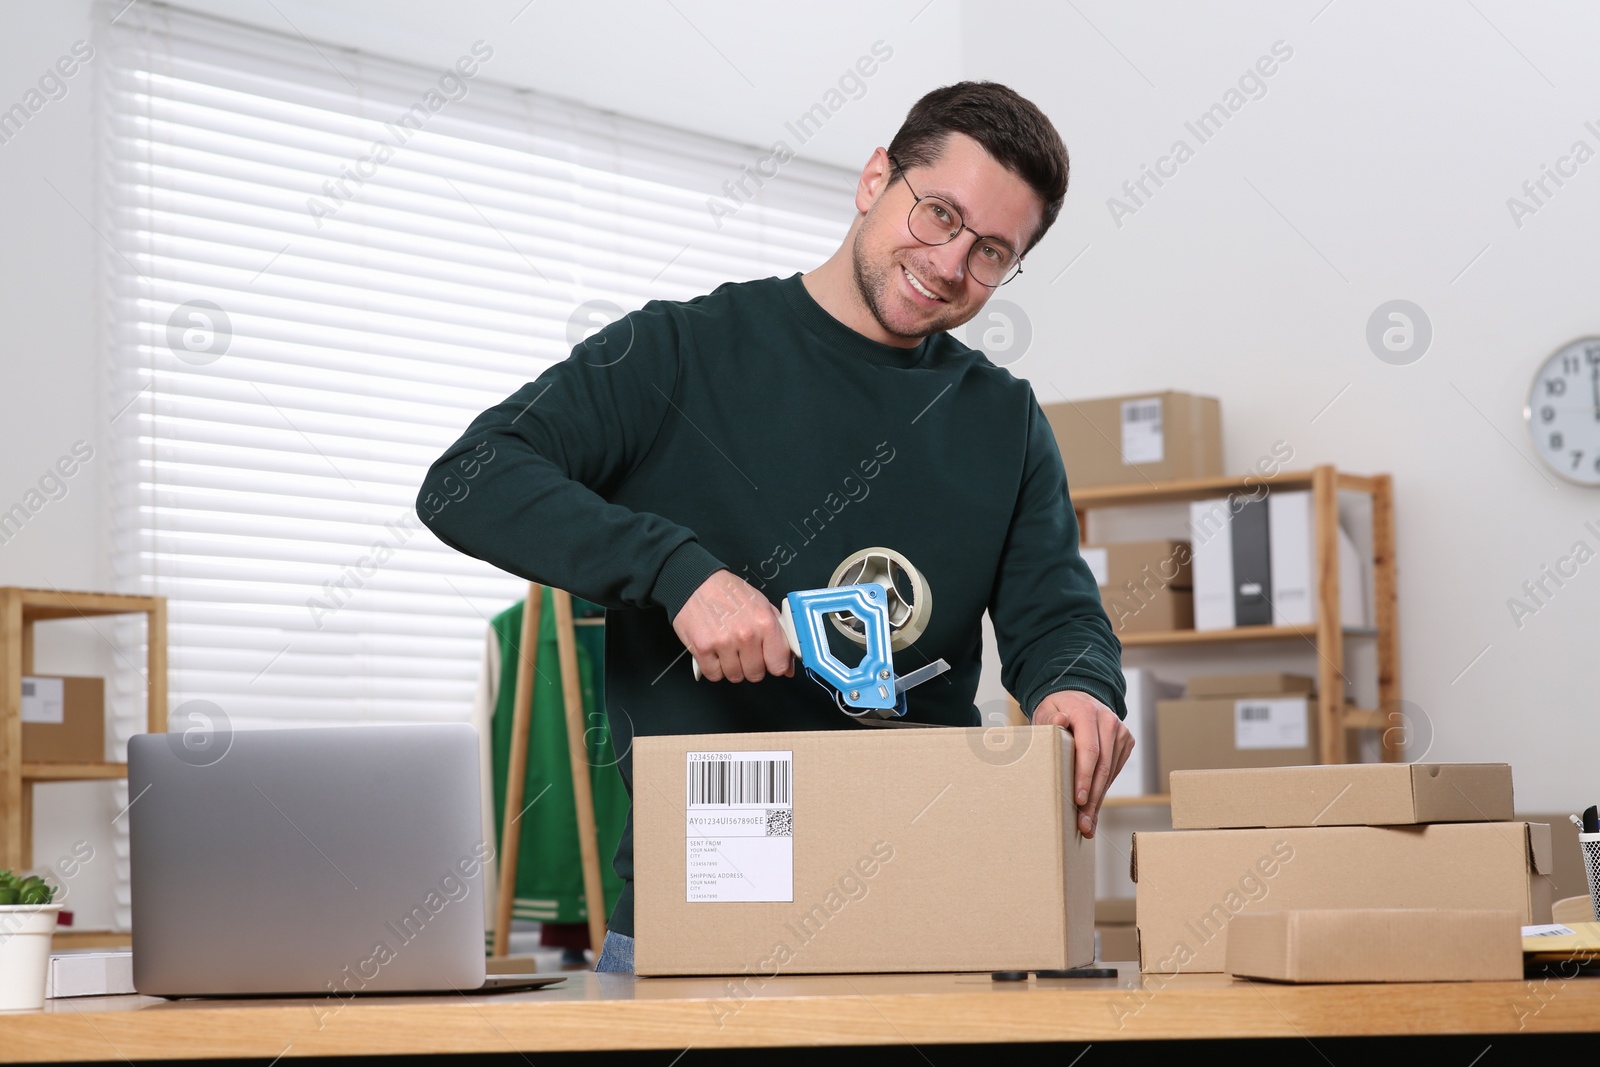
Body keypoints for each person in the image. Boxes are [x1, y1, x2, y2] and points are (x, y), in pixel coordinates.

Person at [417, 81, 1132, 975]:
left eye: (991, 251)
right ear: (877, 179)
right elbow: (466, 482)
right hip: (700, 909)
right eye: (939, 213)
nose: (952, 264)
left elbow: (1058, 615)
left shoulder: (1004, 421)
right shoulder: (679, 353)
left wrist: (1079, 685)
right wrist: (676, 571)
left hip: (931, 908)